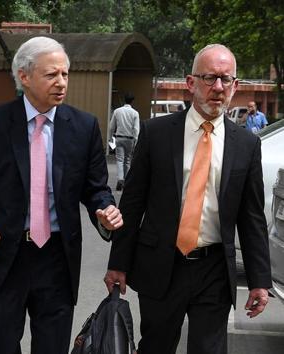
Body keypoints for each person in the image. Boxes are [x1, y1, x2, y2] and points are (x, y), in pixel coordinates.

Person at [0, 36, 123, 353]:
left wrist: (106, 209)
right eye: (51, 74)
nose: (61, 82)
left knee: (52, 347)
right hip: (4, 257)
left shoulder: (83, 127)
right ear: (25, 76)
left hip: (57, 257)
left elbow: (96, 189)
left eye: (65, 74)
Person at [105, 44, 271, 354]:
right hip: (160, 265)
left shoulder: (246, 145)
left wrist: (260, 279)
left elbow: (252, 218)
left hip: (214, 271)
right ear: (190, 82)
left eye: (226, 79)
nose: (218, 88)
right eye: (209, 78)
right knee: (155, 346)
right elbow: (133, 202)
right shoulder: (156, 133)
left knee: (209, 349)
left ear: (235, 86)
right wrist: (118, 263)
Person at [108, 93, 140, 191]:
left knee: (120, 159)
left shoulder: (117, 111)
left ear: (124, 100)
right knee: (127, 160)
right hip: (130, 139)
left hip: (119, 138)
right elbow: (136, 129)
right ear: (132, 101)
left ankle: (120, 179)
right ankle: (126, 180)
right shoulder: (135, 113)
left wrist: (110, 137)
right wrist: (136, 140)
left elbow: (112, 126)